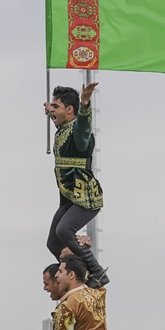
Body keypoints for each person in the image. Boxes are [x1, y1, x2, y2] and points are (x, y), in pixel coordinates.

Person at [44, 82, 108, 287]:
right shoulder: (62, 130)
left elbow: (82, 131)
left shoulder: (78, 131)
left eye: (57, 106)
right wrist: (52, 111)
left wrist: (85, 104)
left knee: (64, 230)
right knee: (53, 241)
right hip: (69, 199)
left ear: (70, 110)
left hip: (85, 198)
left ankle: (96, 271)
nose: (52, 111)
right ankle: (78, 274)